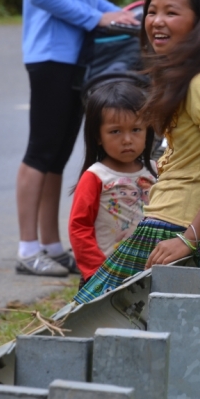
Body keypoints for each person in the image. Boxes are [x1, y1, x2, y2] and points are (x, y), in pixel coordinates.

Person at [74, 0, 200, 304]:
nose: (156, 21)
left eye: (172, 12)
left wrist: (188, 239)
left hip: (175, 225)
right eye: (152, 11)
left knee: (87, 312)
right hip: (182, 223)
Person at [16, 0, 139, 277]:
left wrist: (121, 16)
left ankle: (51, 246)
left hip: (78, 56)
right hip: (51, 53)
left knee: (58, 155)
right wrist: (97, 18)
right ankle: (27, 249)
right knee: (40, 151)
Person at [68, 81, 157, 290]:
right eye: (115, 132)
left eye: (136, 129)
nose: (127, 140)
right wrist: (98, 273)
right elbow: (79, 228)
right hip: (106, 277)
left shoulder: (156, 170)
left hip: (149, 275)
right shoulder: (96, 176)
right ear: (98, 136)